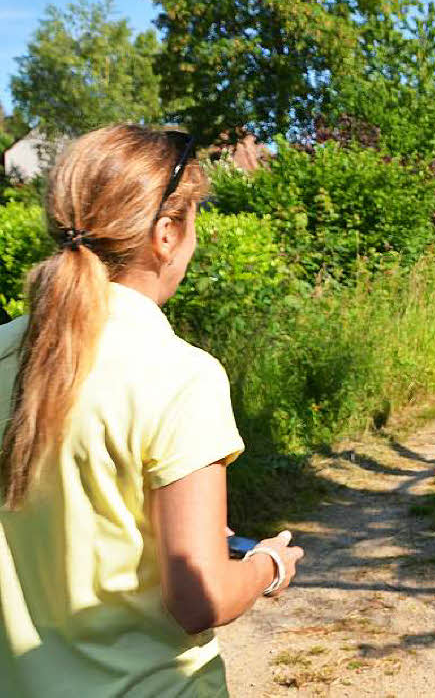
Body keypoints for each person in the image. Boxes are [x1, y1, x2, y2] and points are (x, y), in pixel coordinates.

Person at [0, 126, 305, 696]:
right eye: (193, 223)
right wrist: (268, 566)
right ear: (166, 234)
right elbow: (201, 600)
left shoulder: (5, 352)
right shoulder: (180, 375)